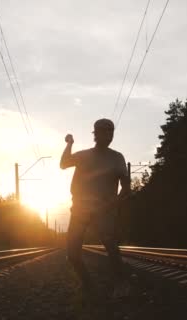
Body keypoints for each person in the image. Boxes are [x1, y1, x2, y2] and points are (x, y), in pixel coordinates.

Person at [60, 118, 131, 299]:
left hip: (104, 210)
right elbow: (63, 163)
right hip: (80, 210)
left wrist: (110, 206)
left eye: (111, 131)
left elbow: (127, 188)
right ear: (96, 134)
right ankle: (88, 285)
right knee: (72, 255)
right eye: (105, 131)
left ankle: (121, 284)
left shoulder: (117, 158)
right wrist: (69, 143)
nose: (109, 135)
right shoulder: (84, 155)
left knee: (112, 248)